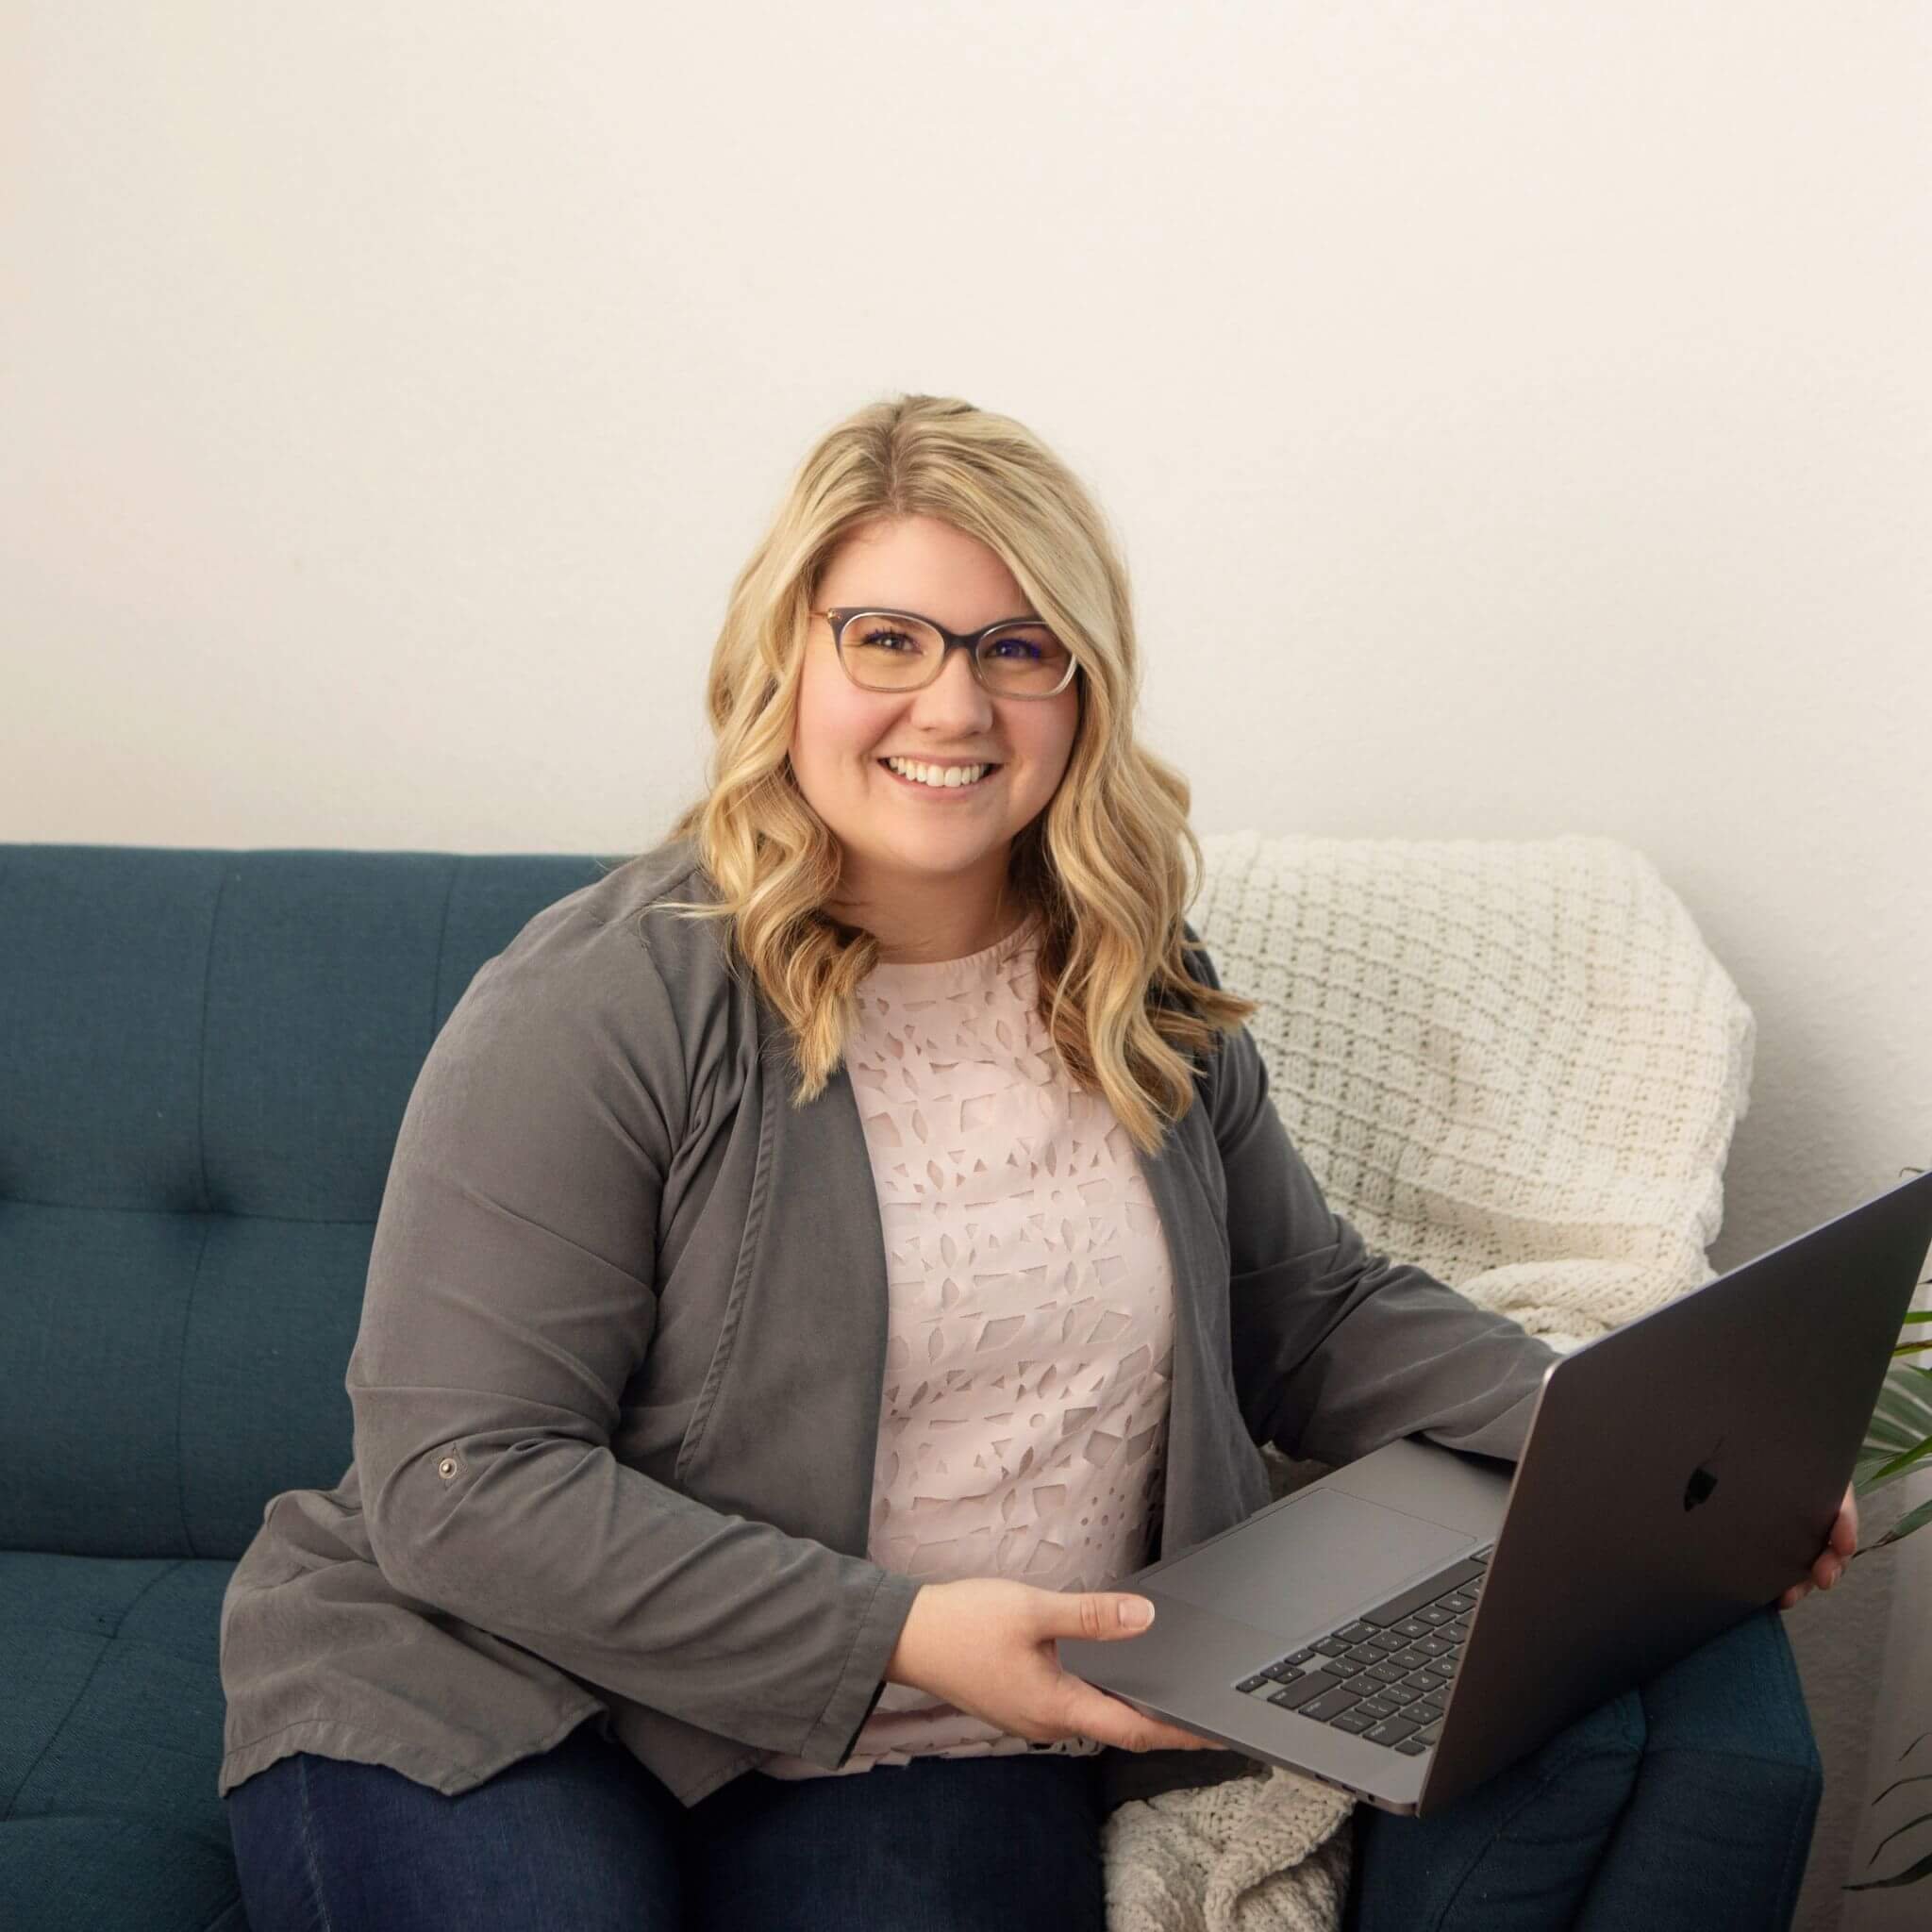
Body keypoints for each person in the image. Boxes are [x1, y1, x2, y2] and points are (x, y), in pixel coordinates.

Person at [221, 393, 1844, 1931]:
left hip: (932, 1731)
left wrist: (1626, 1446)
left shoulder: (1135, 979)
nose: (954, 705)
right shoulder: (604, 998)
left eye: (1018, 649)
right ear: (786, 657)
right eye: (889, 639)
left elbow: (1313, 1313)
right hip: (504, 1678)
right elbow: (467, 1485)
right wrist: (906, 1627)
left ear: (1083, 689)